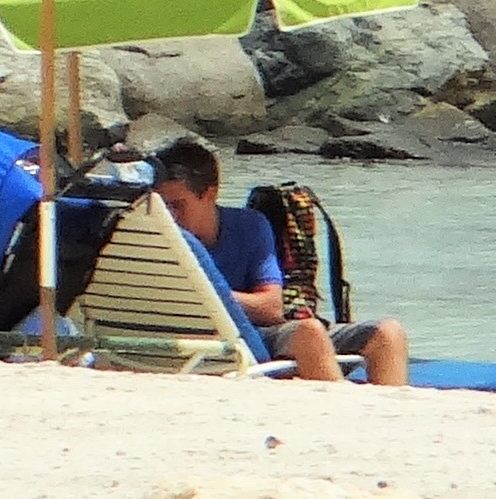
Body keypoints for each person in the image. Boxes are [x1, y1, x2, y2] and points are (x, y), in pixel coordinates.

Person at [147, 138, 408, 384]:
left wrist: (202, 292)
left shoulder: (249, 226)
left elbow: (271, 307)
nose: (170, 215)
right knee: (309, 333)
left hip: (259, 334)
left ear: (210, 194)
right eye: (162, 205)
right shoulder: (154, 237)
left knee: (388, 332)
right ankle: (337, 409)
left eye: (177, 205)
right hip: (223, 342)